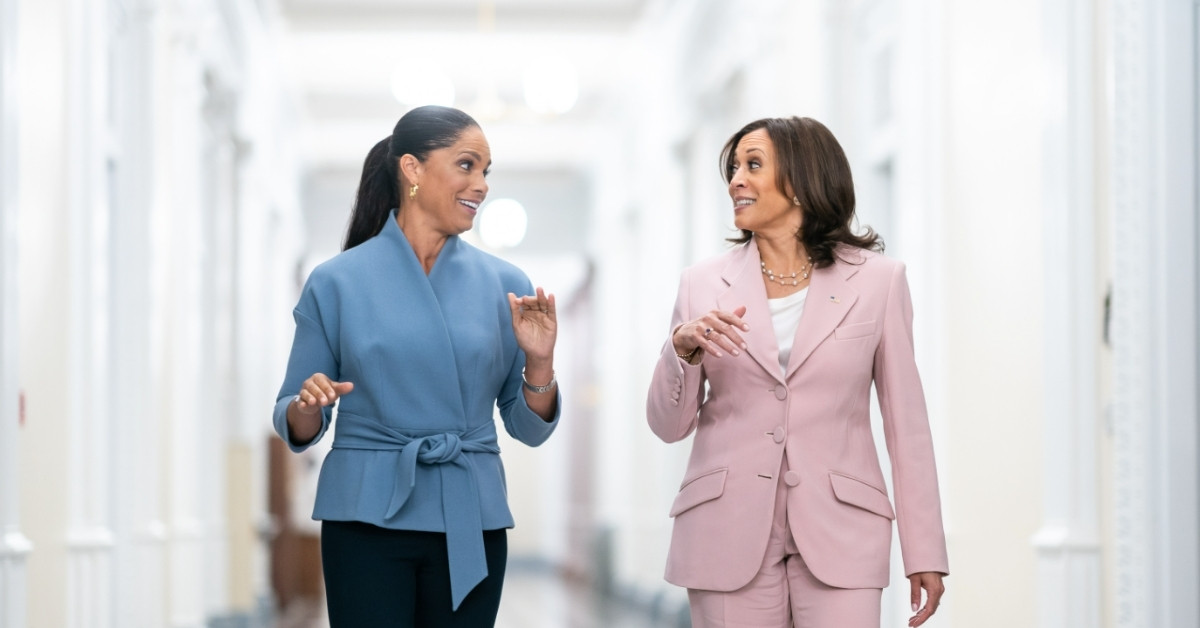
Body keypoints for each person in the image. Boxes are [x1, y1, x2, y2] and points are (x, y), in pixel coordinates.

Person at [646, 116, 948, 628]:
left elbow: (907, 428)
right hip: (725, 531)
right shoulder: (700, 284)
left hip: (843, 530)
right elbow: (668, 426)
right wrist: (682, 349)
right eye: (734, 167)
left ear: (804, 180)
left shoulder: (879, 282)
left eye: (753, 165)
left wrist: (925, 552)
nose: (736, 179)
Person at [272, 105, 561, 627]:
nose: (482, 185)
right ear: (412, 168)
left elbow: (527, 427)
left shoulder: (505, 283)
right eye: (467, 165)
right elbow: (295, 418)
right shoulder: (336, 281)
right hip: (364, 514)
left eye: (486, 171)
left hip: (468, 512)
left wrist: (539, 362)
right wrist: (307, 404)